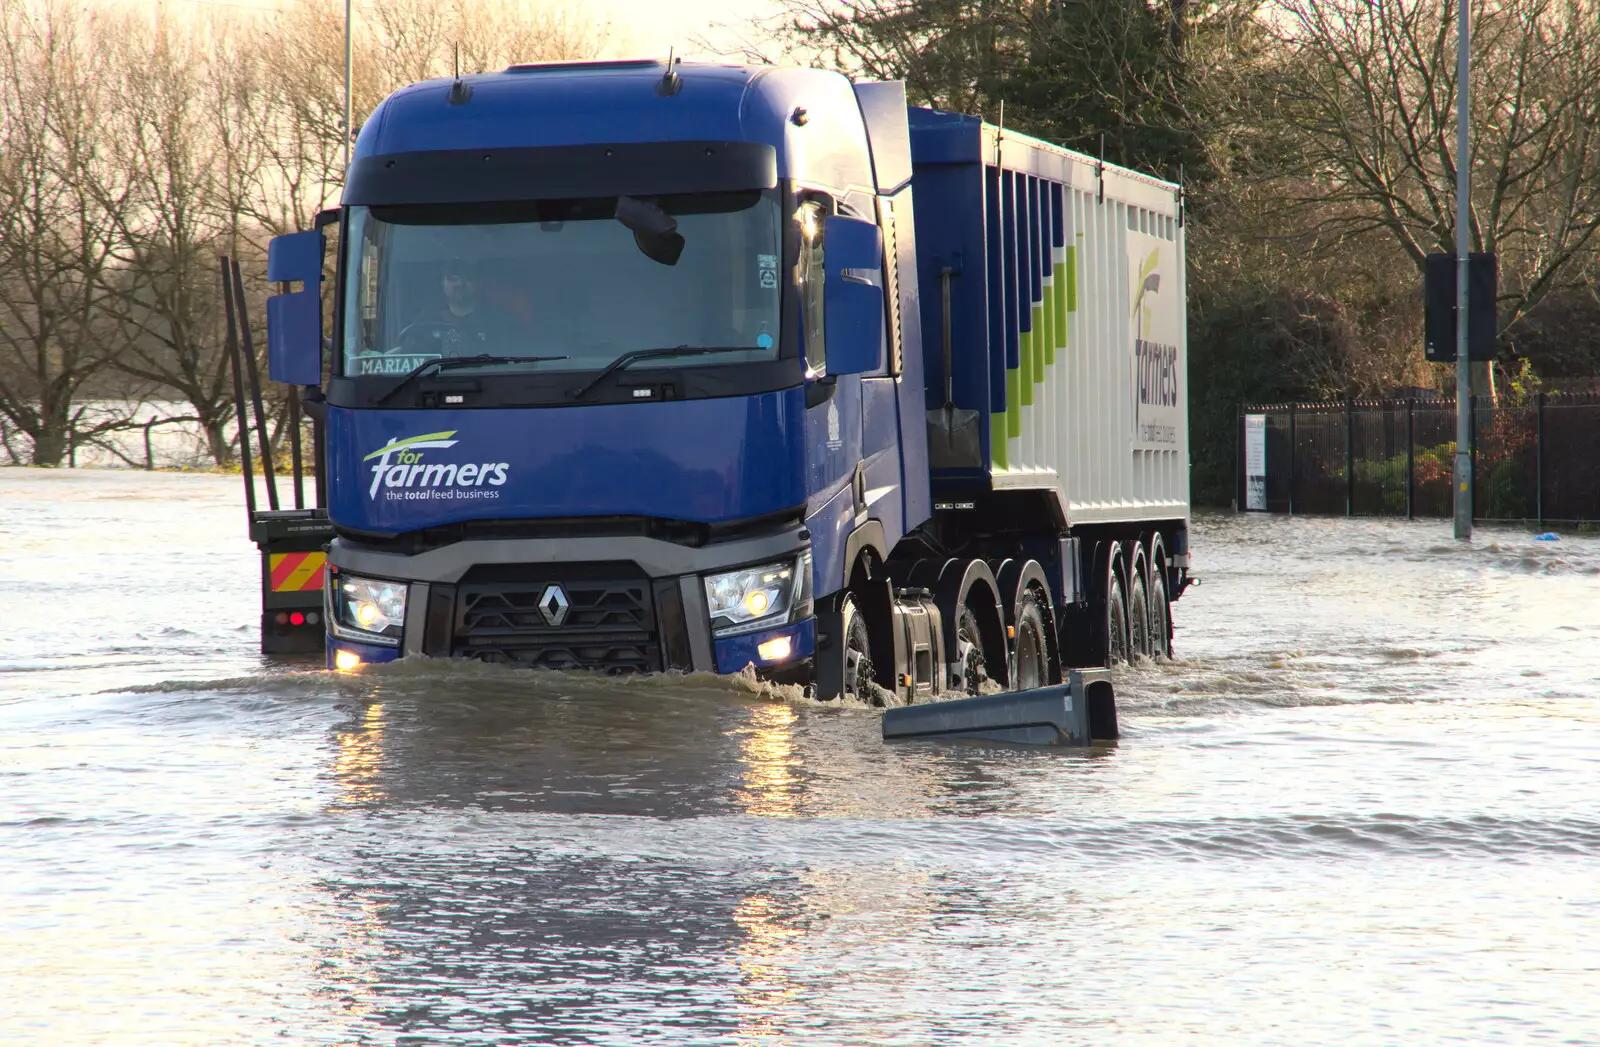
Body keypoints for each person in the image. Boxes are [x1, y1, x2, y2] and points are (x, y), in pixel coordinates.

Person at [404, 257, 520, 356]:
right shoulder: (425, 323)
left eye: (468, 277)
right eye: (453, 278)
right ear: (442, 283)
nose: (460, 283)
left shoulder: (501, 321)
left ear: (478, 282)